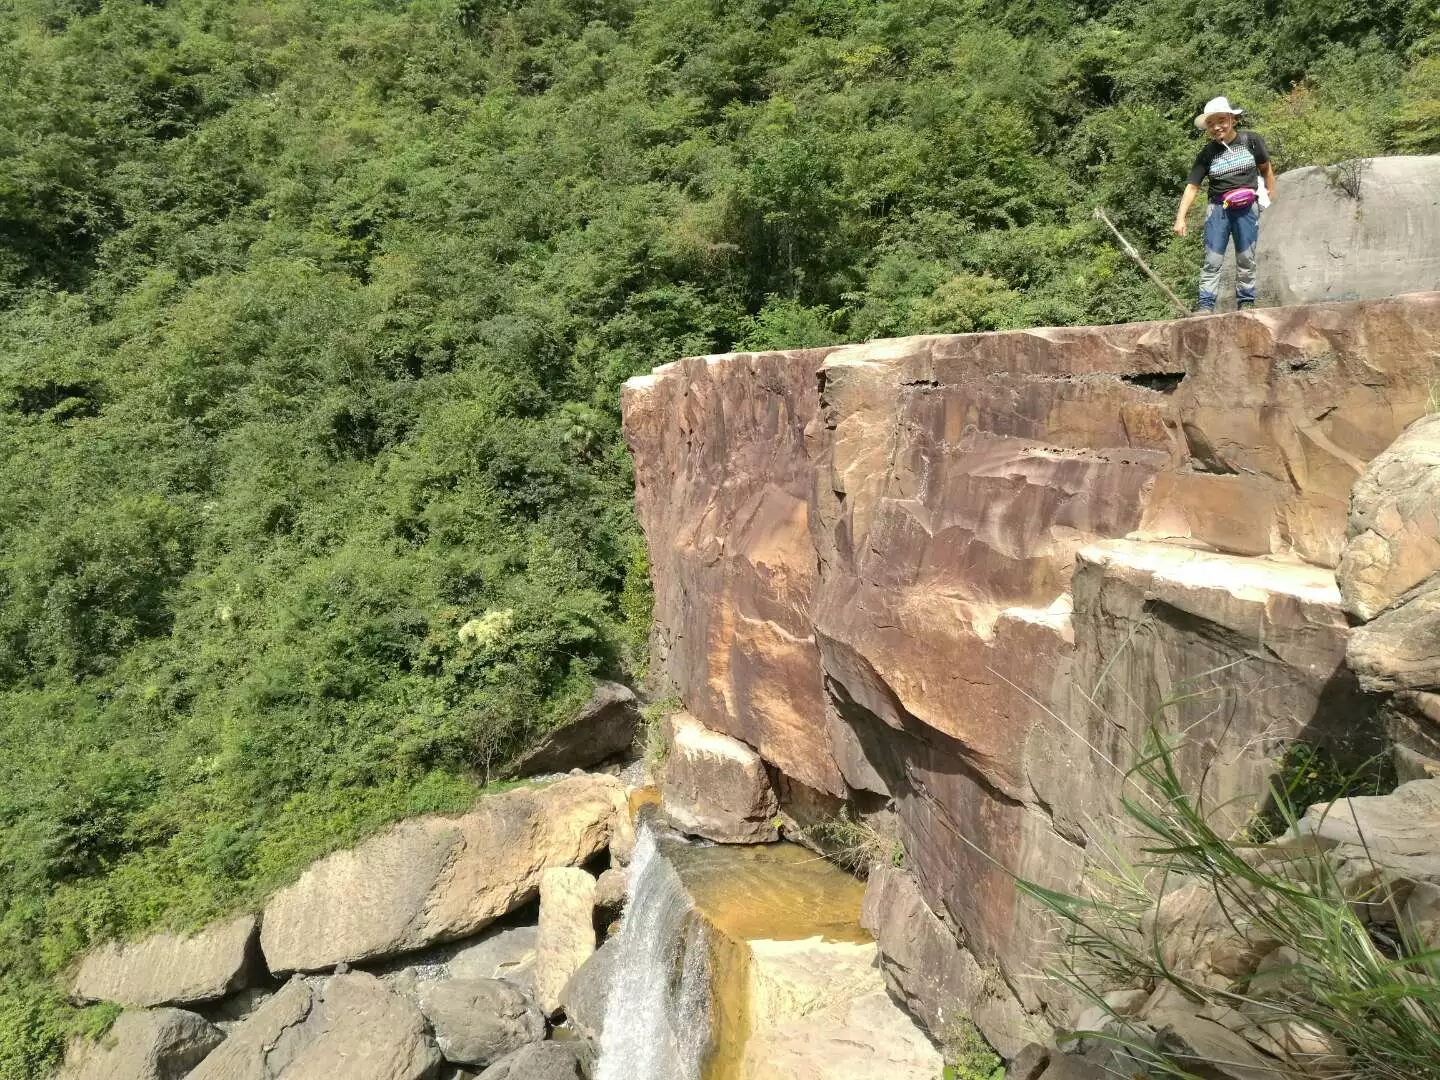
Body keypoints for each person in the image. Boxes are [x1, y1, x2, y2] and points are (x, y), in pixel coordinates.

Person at [1173, 96, 1277, 313]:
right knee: (1212, 259)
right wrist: (1180, 218)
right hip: (1218, 209)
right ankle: (1205, 305)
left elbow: (1265, 167)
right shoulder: (1207, 154)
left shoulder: (1251, 141)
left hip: (1247, 208)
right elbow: (1193, 186)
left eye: (1221, 120)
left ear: (1232, 119)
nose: (1216, 127)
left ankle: (1246, 302)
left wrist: (1271, 192)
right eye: (1210, 123)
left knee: (1246, 257)